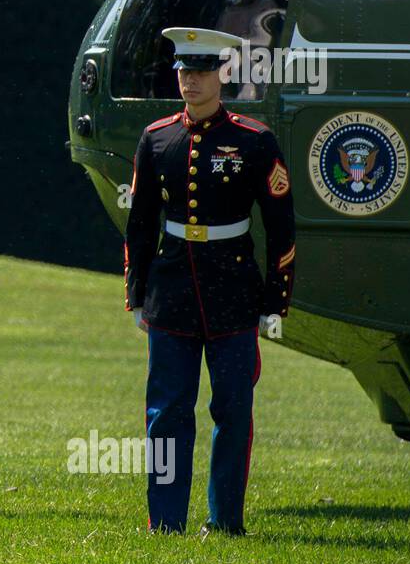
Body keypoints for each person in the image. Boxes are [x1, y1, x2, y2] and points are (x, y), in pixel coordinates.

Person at [123, 27, 295, 537]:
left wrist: (275, 300)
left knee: (233, 411)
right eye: (182, 72)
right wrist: (137, 291)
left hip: (233, 292)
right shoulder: (156, 139)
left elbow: (281, 225)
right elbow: (141, 222)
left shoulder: (254, 140)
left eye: (199, 73)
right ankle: (167, 522)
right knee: (167, 412)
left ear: (220, 75)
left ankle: (224, 523)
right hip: (172, 292)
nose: (189, 82)